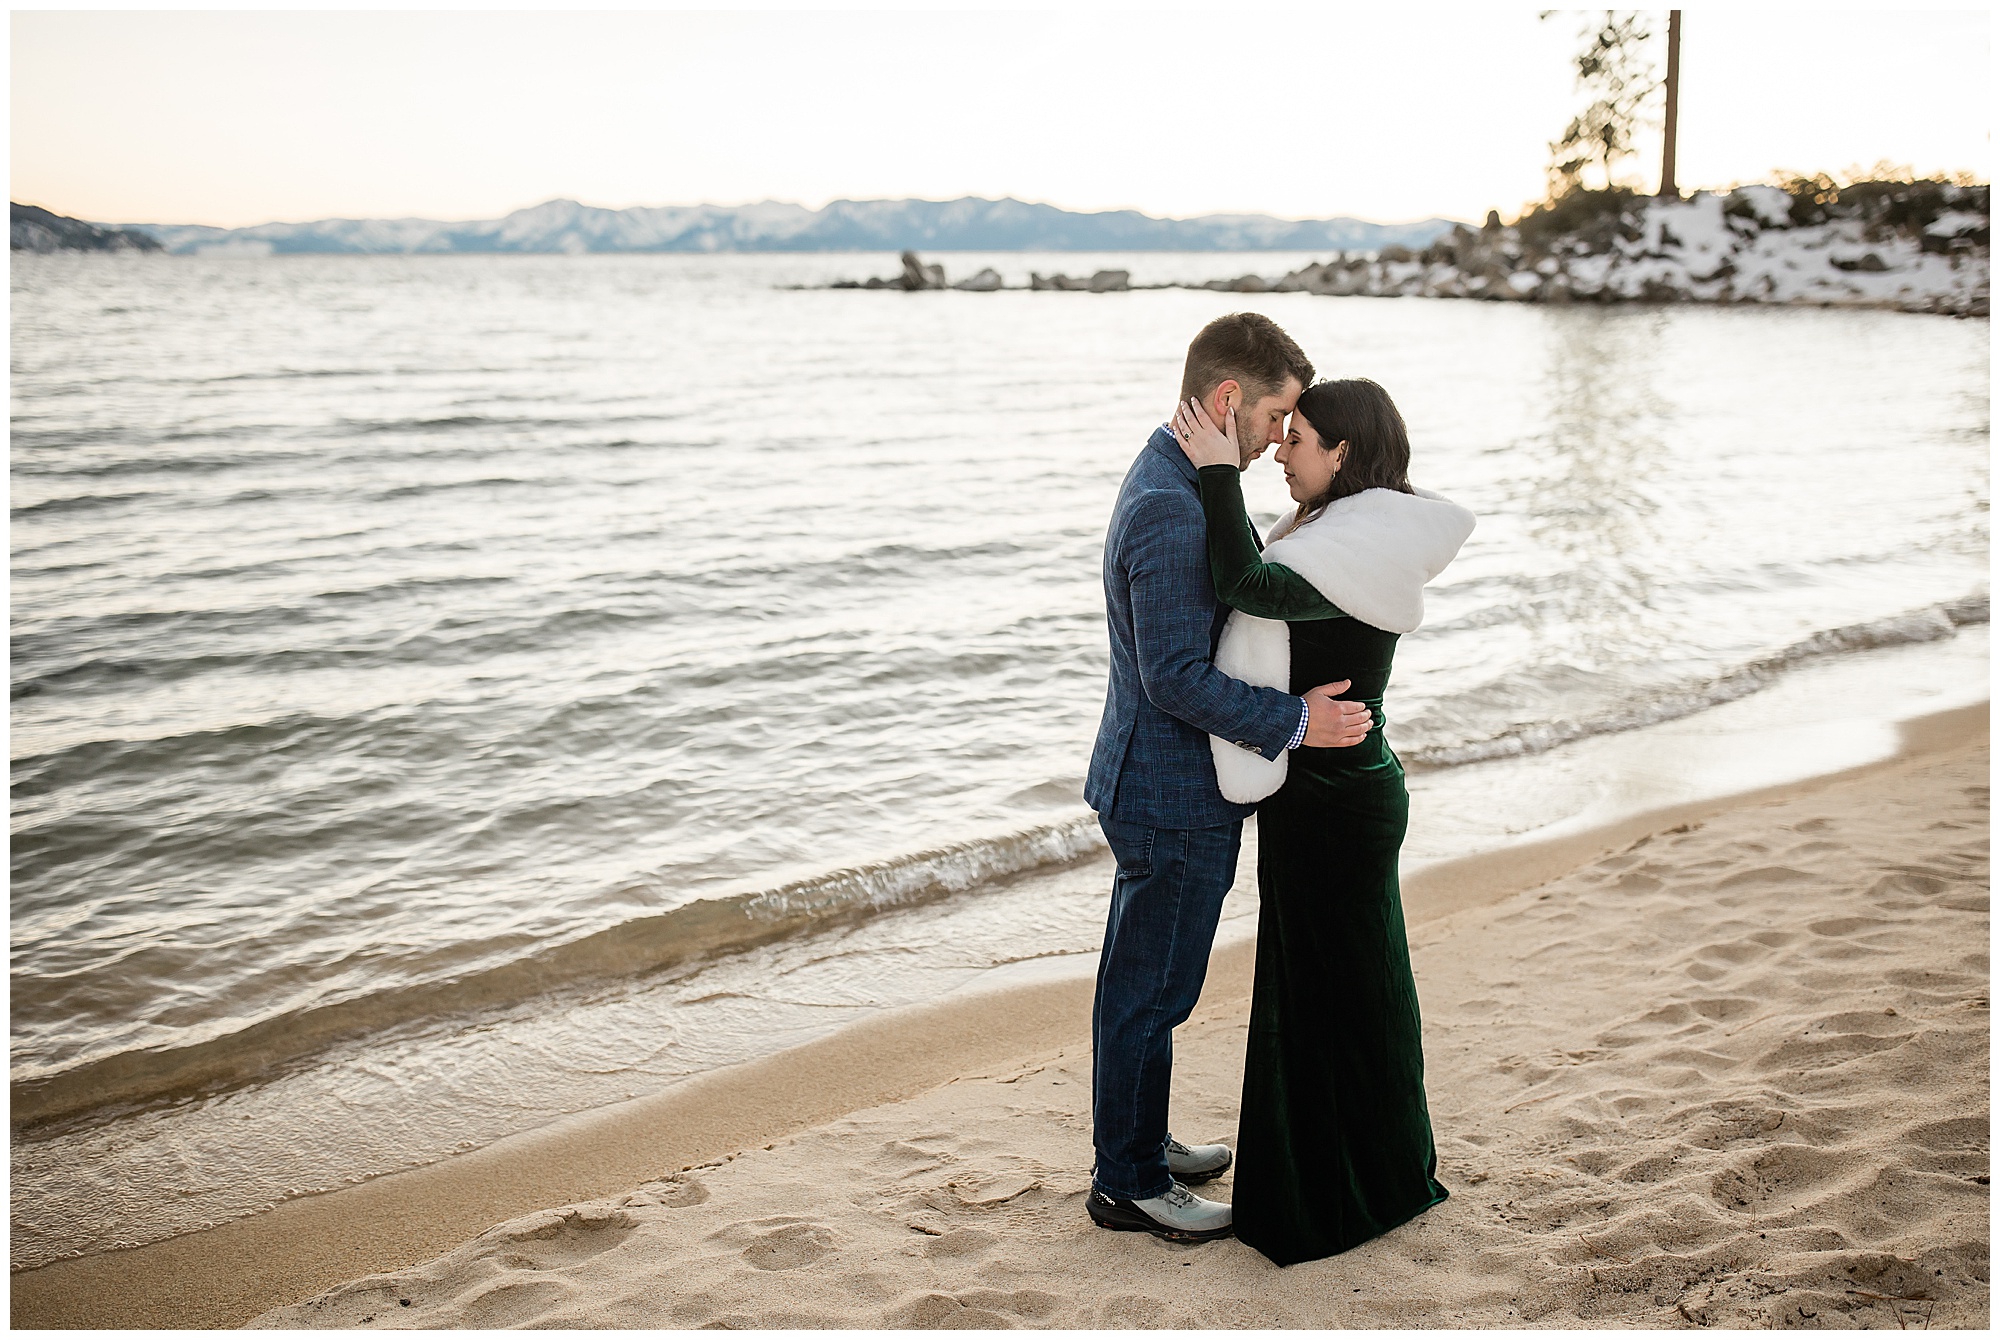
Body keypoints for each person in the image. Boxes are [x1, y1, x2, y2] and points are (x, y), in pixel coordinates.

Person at [1169, 376, 1474, 1265]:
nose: (1283, 457)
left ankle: (1337, 1200)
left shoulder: (1353, 544)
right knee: (1345, 991)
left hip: (1336, 804)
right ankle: (1373, 1178)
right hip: (1342, 790)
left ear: (1342, 453)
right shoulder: (1353, 534)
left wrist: (1218, 472)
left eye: (1295, 439)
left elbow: (1243, 581)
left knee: (1332, 995)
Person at [1083, 314, 1373, 1243]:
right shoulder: (1173, 503)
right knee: (1152, 991)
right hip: (1167, 793)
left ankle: (1142, 1144)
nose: (1282, 437)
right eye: (1279, 415)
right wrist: (1298, 724)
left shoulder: (1183, 476)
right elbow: (1174, 675)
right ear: (1227, 400)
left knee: (1152, 984)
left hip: (1165, 784)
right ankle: (1127, 1182)